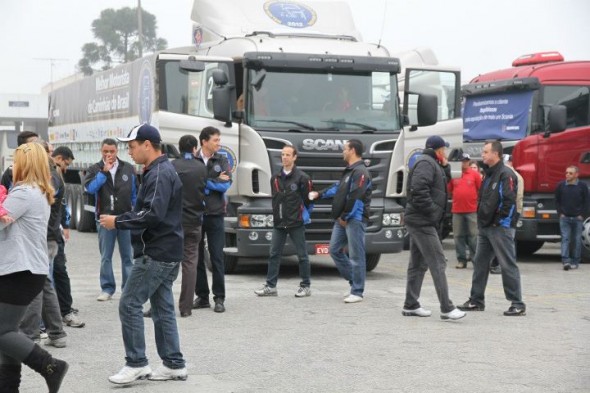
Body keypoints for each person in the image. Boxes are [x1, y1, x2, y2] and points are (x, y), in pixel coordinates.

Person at [99, 124, 186, 384]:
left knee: (129, 304)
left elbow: (152, 214)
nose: (130, 151)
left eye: (132, 146)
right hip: (167, 250)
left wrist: (118, 222)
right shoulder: (157, 171)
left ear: (147, 144)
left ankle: (136, 363)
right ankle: (173, 364)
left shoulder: (159, 173)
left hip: (156, 253)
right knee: (162, 308)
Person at [0, 142, 69, 393]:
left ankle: (49, 366)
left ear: (26, 164)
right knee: (7, 334)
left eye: (16, 160)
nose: (12, 165)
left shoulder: (24, 193)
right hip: (25, 271)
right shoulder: (36, 191)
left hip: (19, 272)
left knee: (3, 332)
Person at [458, 141, 526, 316]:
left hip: (500, 228)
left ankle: (517, 303)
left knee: (507, 264)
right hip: (486, 228)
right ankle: (476, 301)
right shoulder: (488, 174)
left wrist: (500, 221)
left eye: (486, 151)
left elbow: (509, 202)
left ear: (496, 154)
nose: (482, 154)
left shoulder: (506, 174)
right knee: (480, 263)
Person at [401, 136, 466, 320]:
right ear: (439, 150)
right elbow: (418, 190)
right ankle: (447, 307)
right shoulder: (426, 163)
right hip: (423, 221)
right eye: (444, 149)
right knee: (438, 262)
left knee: (417, 263)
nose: (445, 152)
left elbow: (439, 183)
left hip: (420, 219)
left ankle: (411, 304)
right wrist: (433, 213)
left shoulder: (430, 163)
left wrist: (444, 166)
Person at [20, 145, 75, 347]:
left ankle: (30, 333)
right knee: (44, 283)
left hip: (45, 237)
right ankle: (56, 332)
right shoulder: (51, 176)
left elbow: (33, 206)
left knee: (36, 283)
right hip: (49, 236)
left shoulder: (49, 178)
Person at [309, 139, 371, 303]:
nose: (342, 152)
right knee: (335, 249)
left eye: (344, 149)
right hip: (343, 219)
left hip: (354, 219)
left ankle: (357, 291)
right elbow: (338, 188)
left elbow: (357, 196)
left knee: (356, 256)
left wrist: (345, 217)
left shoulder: (361, 172)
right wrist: (319, 194)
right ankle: (354, 283)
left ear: (352, 151)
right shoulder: (350, 171)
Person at [254, 145, 313, 297]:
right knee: (274, 253)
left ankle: (305, 286)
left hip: (296, 222)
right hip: (279, 222)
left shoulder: (303, 178)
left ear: (294, 157)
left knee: (302, 255)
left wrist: (303, 216)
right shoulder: (275, 178)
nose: (285, 157)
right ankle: (271, 286)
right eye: (283, 155)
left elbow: (308, 201)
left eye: (288, 155)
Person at [84, 138, 137, 301]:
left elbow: (134, 193)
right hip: (105, 218)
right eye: (105, 151)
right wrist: (104, 172)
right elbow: (90, 189)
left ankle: (127, 290)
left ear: (117, 151)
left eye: (111, 151)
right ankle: (107, 288)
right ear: (101, 151)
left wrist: (135, 212)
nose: (108, 154)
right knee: (106, 256)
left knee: (128, 256)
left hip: (125, 218)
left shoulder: (128, 168)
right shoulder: (95, 169)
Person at [194, 127, 232, 313]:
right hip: (196, 216)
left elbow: (225, 185)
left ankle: (219, 298)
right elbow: (191, 184)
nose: (218, 143)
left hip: (216, 215)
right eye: (215, 140)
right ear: (204, 141)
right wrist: (212, 181)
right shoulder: (193, 160)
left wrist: (205, 184)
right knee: (197, 258)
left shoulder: (222, 159)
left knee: (217, 257)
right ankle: (202, 297)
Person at [171, 135, 207, 317]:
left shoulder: (172, 166)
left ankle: (160, 305)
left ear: (179, 148)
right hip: (194, 221)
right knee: (190, 263)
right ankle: (186, 308)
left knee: (167, 263)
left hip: (174, 223)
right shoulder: (201, 167)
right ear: (194, 149)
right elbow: (205, 190)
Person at [490, 154, 524, 274]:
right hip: (507, 212)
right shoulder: (502, 174)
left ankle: (508, 266)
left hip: (511, 213)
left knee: (508, 240)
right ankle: (498, 264)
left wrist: (511, 215)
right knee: (503, 240)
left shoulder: (514, 176)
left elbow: (516, 198)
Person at [448, 153, 481, 269]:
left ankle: (476, 259)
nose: (464, 162)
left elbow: (480, 189)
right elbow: (450, 190)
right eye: (462, 160)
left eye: (466, 160)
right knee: (458, 236)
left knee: (473, 235)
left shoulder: (475, 175)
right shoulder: (454, 175)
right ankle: (461, 260)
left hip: (472, 210)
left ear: (469, 161)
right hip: (457, 210)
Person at [555, 165, 589, 271]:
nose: (567, 175)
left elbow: (587, 201)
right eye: (566, 173)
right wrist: (560, 213)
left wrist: (582, 215)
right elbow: (557, 200)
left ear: (576, 175)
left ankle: (575, 261)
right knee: (565, 239)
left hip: (577, 219)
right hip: (564, 218)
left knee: (577, 240)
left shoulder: (582, 186)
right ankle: (566, 261)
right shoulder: (561, 185)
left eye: (570, 173)